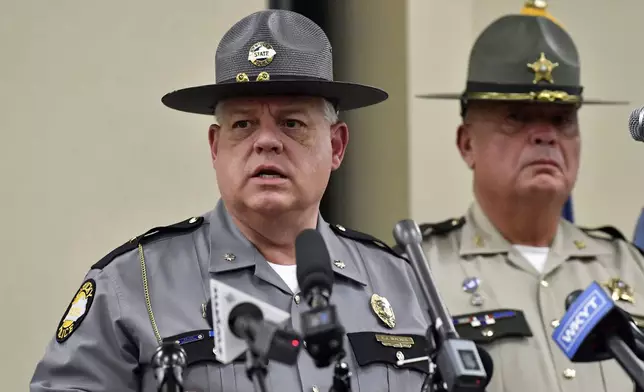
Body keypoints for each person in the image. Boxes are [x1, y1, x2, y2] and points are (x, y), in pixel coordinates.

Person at [30, 9, 431, 392]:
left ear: (337, 145)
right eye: (243, 124)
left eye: (292, 123)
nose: (267, 141)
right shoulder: (135, 283)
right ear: (215, 146)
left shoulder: (401, 283)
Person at [413, 1, 644, 391]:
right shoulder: (419, 273)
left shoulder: (629, 266)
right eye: (517, 117)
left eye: (562, 119)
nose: (545, 135)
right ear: (466, 143)